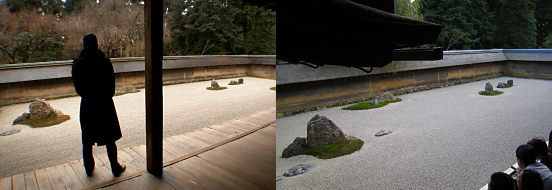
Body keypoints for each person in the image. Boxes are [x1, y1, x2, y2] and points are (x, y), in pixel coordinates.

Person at [71, 33, 126, 176]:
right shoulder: (105, 62)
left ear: (84, 46)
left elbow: (79, 89)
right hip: (104, 104)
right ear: (97, 44)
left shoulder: (78, 64)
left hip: (88, 104)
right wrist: (103, 97)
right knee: (109, 138)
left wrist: (88, 96)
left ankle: (89, 168)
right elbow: (111, 88)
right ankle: (115, 166)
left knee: (87, 139)